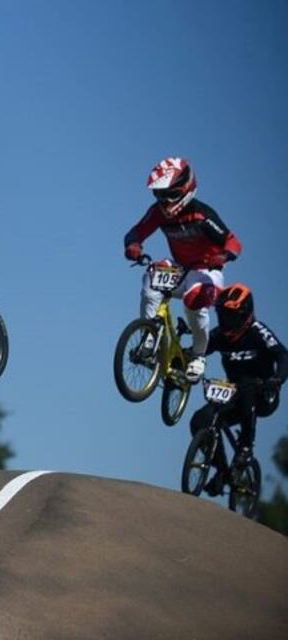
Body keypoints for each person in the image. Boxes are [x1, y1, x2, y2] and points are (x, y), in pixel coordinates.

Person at [123, 157, 242, 382]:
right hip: (181, 268)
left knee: (194, 301)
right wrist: (134, 246)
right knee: (151, 276)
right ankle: (149, 335)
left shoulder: (202, 214)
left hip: (207, 271)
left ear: (186, 189)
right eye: (159, 195)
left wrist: (223, 256)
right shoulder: (158, 213)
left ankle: (198, 355)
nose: (165, 202)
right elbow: (136, 232)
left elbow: (233, 242)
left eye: (170, 195)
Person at [190, 284, 286, 494]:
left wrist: (277, 379)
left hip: (264, 395)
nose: (226, 322)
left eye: (231, 317)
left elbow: (282, 355)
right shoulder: (219, 335)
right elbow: (198, 351)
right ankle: (222, 472)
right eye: (222, 316)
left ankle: (245, 447)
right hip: (235, 393)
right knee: (201, 420)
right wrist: (182, 359)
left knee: (247, 389)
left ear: (245, 316)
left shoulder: (258, 331)